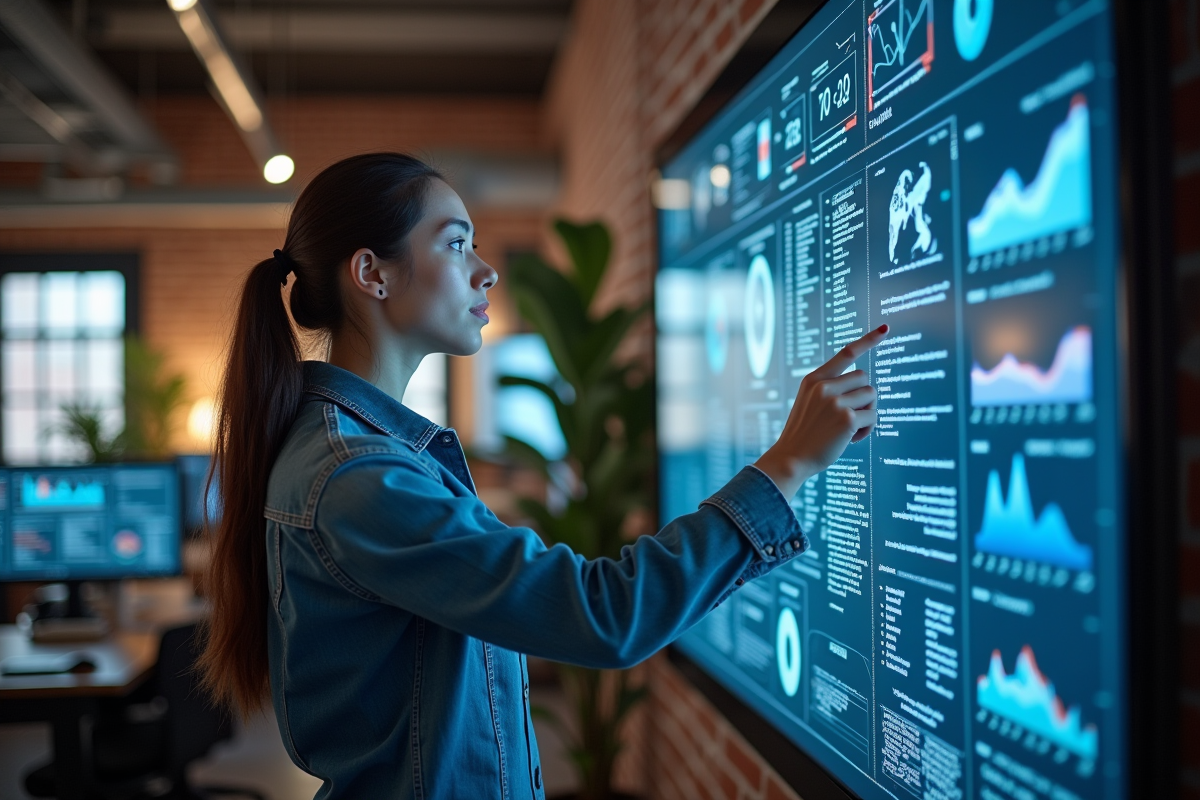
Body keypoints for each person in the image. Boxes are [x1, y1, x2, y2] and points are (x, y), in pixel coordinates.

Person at [198, 152, 888, 799]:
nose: (486, 270)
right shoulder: (359, 478)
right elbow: (602, 616)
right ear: (372, 273)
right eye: (455, 243)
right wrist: (788, 463)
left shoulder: (348, 456)